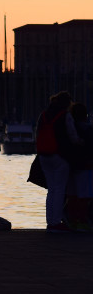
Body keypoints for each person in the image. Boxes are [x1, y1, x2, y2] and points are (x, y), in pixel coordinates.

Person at [36, 91, 82, 232]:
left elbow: (37, 133)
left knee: (51, 190)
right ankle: (56, 223)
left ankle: (50, 221)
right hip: (60, 156)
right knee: (59, 189)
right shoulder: (65, 115)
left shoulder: (43, 115)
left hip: (44, 156)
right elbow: (73, 136)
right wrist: (82, 143)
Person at [64, 102, 93, 230]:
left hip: (70, 167)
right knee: (84, 196)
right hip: (86, 166)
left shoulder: (68, 128)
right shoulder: (88, 129)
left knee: (72, 195)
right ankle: (82, 221)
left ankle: (72, 220)